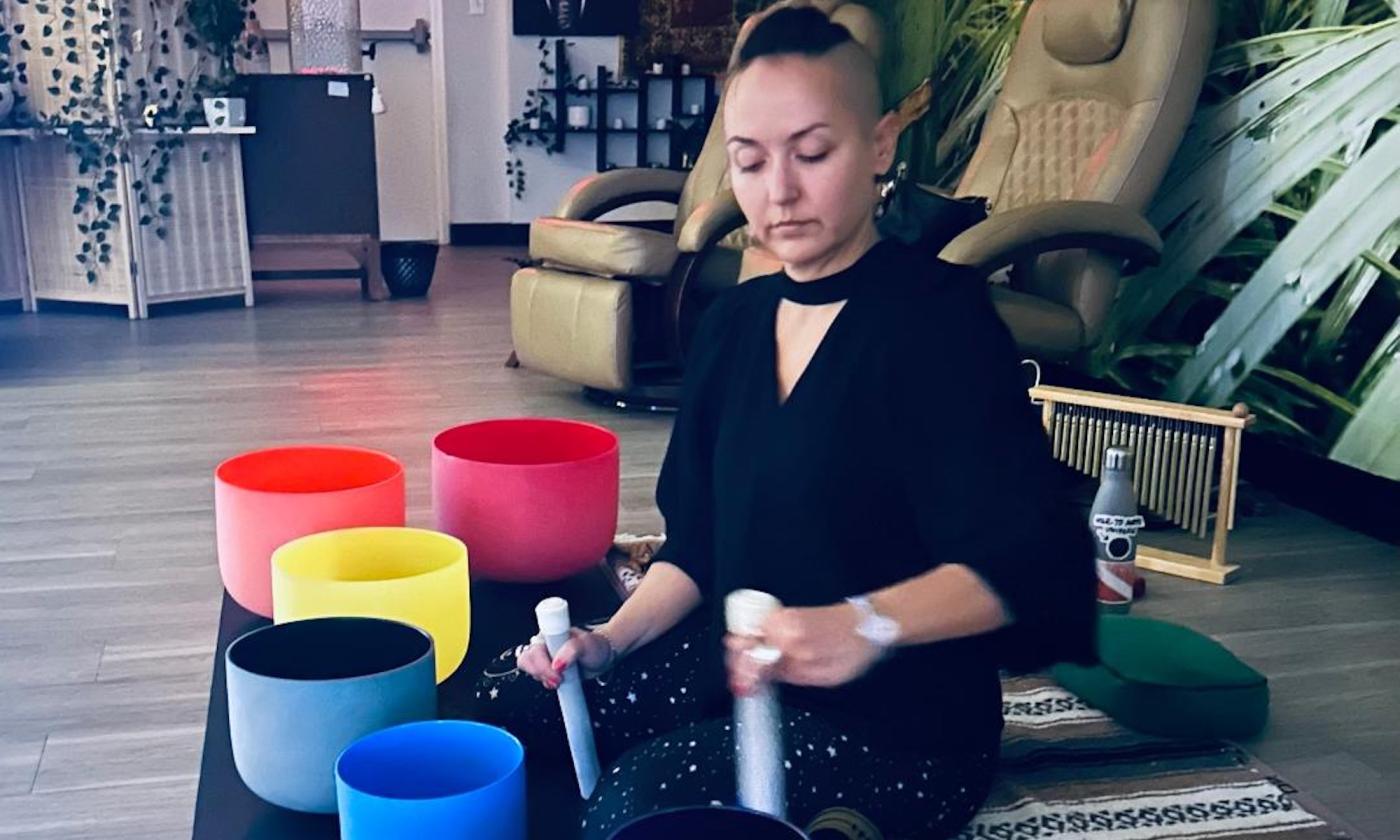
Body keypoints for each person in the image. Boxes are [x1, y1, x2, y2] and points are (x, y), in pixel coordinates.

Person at [476, 7, 1096, 838]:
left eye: (812, 153)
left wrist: (868, 624)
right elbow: (696, 546)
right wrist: (610, 641)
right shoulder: (734, 323)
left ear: (879, 147)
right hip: (743, 672)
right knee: (505, 708)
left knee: (635, 808)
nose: (780, 191)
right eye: (750, 161)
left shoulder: (940, 324)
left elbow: (1037, 565)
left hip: (901, 726)